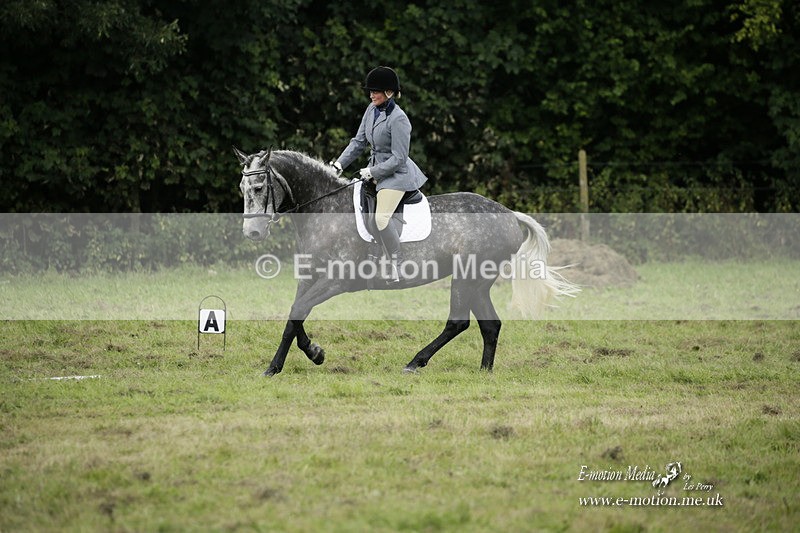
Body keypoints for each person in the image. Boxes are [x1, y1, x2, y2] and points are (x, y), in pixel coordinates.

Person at [330, 66, 428, 282]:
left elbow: (399, 158)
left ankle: (397, 264)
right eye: (370, 91)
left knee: (381, 219)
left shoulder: (399, 119)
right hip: (375, 171)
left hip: (396, 175)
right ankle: (372, 257)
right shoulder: (371, 109)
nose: (371, 94)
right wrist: (339, 164)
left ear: (389, 93)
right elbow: (358, 142)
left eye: (376, 91)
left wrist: (372, 171)